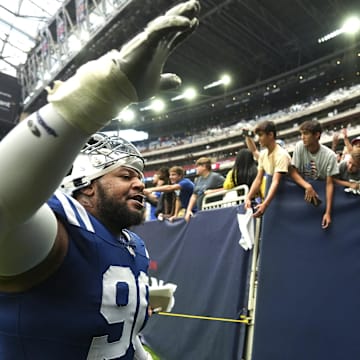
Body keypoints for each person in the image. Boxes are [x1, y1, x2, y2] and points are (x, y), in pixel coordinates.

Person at [0, 1, 200, 359]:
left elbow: (125, 341)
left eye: (140, 176)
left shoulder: (133, 247)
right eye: (126, 175)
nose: (141, 184)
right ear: (86, 184)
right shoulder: (56, 229)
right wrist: (99, 95)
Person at [289, 120, 339, 229]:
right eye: (301, 134)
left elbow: (329, 184)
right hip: (302, 194)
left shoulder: (330, 156)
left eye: (306, 133)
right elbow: (293, 172)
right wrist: (307, 186)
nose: (302, 137)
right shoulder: (299, 147)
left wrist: (328, 212)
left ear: (317, 135)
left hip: (319, 195)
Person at [244, 120, 291, 218]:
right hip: (274, 199)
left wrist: (265, 204)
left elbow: (275, 182)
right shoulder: (263, 155)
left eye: (261, 135)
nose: (258, 139)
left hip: (288, 198)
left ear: (270, 135)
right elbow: (258, 179)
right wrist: (248, 197)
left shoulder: (281, 155)